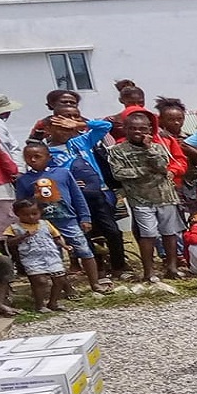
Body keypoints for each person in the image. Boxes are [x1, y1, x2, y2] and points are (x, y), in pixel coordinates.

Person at [14, 136, 108, 293]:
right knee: (53, 257)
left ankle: (95, 283)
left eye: (38, 156)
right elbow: (21, 204)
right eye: (29, 157)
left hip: (68, 220)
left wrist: (85, 217)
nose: (33, 160)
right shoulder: (24, 180)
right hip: (43, 225)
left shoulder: (63, 173)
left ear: (49, 157)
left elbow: (77, 197)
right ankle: (64, 290)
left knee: (84, 250)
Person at [43, 108, 128, 280]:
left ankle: (119, 266)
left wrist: (79, 124)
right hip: (73, 198)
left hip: (99, 193)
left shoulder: (81, 141)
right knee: (86, 232)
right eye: (60, 128)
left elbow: (105, 126)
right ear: (48, 130)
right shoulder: (45, 152)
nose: (66, 131)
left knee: (112, 230)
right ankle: (98, 269)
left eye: (68, 128)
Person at [106, 111, 184, 282]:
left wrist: (149, 150)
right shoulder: (117, 151)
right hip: (140, 199)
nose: (137, 132)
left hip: (165, 195)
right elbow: (118, 173)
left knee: (170, 233)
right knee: (147, 234)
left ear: (149, 129)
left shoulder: (157, 147)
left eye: (142, 129)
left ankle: (172, 267)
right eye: (133, 128)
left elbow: (163, 166)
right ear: (125, 130)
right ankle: (149, 271)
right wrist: (145, 170)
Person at [3, 200, 73, 312]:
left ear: (40, 212)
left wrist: (64, 246)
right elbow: (10, 242)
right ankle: (40, 305)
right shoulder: (14, 227)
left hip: (51, 255)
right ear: (17, 214)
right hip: (32, 258)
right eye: (26, 215)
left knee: (59, 279)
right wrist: (23, 236)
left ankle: (53, 303)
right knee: (40, 281)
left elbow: (56, 237)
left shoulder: (46, 224)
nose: (30, 217)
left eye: (34, 214)